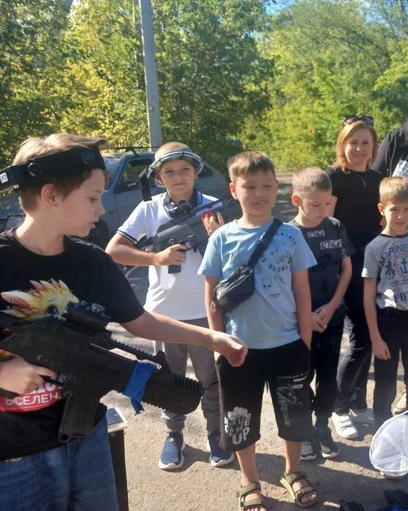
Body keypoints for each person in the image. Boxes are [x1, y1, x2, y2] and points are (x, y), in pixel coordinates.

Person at [0, 134, 246, 510]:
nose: (101, 210)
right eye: (92, 198)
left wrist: (213, 338)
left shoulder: (92, 262)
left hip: (88, 436)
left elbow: (142, 322)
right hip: (13, 452)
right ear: (51, 196)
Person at [199, 152, 318, 510]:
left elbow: (302, 290)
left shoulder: (292, 236)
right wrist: (218, 341)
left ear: (276, 189)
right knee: (239, 418)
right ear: (234, 190)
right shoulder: (221, 238)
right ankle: (248, 479)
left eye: (267, 186)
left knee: (295, 417)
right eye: (249, 187)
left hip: (289, 345)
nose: (259, 193)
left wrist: (305, 338)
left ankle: (293, 471)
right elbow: (212, 296)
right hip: (239, 348)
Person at [105, 142, 234, 471]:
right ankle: (174, 435)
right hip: (162, 314)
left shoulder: (214, 206)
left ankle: (216, 433)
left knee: (211, 379)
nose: (178, 177)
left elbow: (234, 259)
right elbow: (114, 250)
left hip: (206, 311)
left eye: (185, 170)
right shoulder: (148, 211)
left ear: (196, 172)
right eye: (169, 172)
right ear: (159, 177)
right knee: (169, 380)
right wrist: (156, 258)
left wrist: (219, 238)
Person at [288, 167, 354, 462]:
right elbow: (282, 282)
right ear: (296, 200)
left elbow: (347, 269)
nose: (322, 210)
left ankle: (321, 427)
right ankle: (302, 433)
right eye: (315, 205)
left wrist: (331, 306)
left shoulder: (335, 226)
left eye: (327, 203)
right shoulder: (287, 234)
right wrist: (306, 316)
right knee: (301, 377)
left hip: (332, 318)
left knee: (328, 378)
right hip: (298, 322)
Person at [362, 177, 408, 428]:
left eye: (407, 209)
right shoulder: (374, 248)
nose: (402, 215)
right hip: (388, 321)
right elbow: (368, 295)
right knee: (385, 382)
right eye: (395, 209)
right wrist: (375, 338)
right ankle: (383, 427)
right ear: (382, 209)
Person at [326, 116, 383, 440]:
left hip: (377, 266)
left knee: (371, 337)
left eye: (365, 143)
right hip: (346, 267)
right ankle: (339, 406)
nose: (359, 148)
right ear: (343, 144)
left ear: (373, 146)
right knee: (360, 338)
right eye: (353, 142)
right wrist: (341, 265)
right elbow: (328, 224)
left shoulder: (378, 178)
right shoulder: (334, 177)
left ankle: (358, 401)